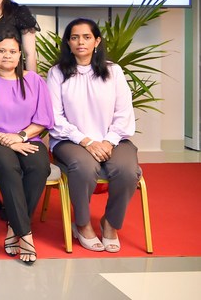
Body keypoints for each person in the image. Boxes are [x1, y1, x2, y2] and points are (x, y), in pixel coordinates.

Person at [47, 18, 140, 254]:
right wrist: (86, 141)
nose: (81, 42)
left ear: (96, 41)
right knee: (84, 167)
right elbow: (55, 117)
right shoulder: (57, 73)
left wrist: (108, 141)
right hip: (70, 140)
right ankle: (82, 224)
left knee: (128, 171)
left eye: (87, 37)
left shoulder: (113, 71)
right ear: (68, 43)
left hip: (113, 139)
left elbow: (124, 113)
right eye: (75, 37)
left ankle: (110, 223)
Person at [0, 31, 54, 265]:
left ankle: (14, 227)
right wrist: (6, 139)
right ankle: (25, 234)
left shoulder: (34, 81)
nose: (7, 55)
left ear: (20, 55)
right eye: (1, 51)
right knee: (9, 165)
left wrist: (20, 136)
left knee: (39, 166)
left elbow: (42, 120)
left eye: (13, 51)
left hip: (27, 139)